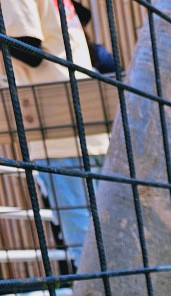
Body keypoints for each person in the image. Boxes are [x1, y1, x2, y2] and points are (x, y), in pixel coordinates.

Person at [1, 1, 114, 268]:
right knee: (108, 240)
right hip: (87, 124)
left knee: (87, 250)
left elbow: (29, 50)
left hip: (57, 132)